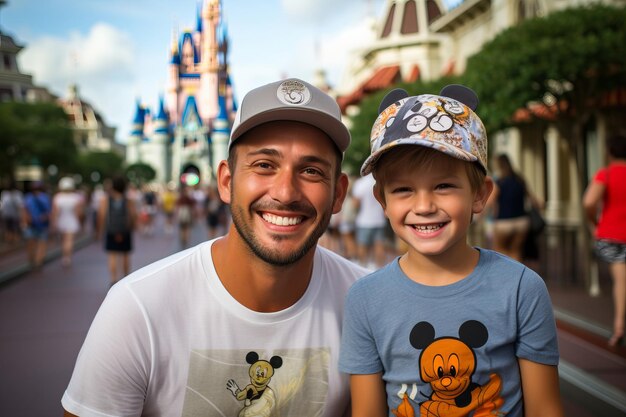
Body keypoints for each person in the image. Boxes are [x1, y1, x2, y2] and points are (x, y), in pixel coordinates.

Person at [62, 78, 369, 417]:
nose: (285, 193)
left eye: (311, 171)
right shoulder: (138, 310)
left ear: (338, 194)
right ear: (226, 181)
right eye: (264, 165)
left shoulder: (366, 306)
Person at [339, 87, 563, 417]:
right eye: (403, 190)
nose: (424, 206)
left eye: (443, 186)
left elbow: (546, 409)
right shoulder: (365, 300)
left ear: (479, 194)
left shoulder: (521, 289)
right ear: (382, 201)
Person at [583, 133, 626, 347]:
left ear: (609, 152)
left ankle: (619, 326)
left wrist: (595, 223)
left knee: (620, 280)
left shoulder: (606, 174)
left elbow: (589, 202)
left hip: (613, 235)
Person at [490, 153, 542, 262]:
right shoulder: (520, 180)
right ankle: (516, 278)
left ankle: (504, 278)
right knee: (516, 252)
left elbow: (490, 202)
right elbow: (535, 201)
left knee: (500, 252)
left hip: (503, 223)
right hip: (521, 222)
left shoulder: (499, 182)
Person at [97, 175, 137, 286]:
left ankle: (113, 279)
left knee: (112, 255)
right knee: (125, 255)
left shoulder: (106, 200)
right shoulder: (128, 201)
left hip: (111, 230)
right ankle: (126, 277)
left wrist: (100, 230)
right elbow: (133, 215)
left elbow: (102, 215)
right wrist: (133, 226)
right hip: (125, 231)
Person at [352, 172, 389, 269]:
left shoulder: (360, 183)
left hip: (364, 220)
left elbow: (355, 204)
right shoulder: (380, 183)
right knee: (379, 245)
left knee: (362, 245)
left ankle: (362, 268)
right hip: (379, 220)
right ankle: (379, 268)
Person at [51, 176, 84, 267]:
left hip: (61, 220)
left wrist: (54, 222)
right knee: (69, 240)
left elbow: (55, 212)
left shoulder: (57, 197)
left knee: (63, 240)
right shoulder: (75, 197)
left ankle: (64, 256)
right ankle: (68, 257)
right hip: (72, 221)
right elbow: (79, 213)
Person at [22, 181, 52, 270]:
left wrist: (25, 220)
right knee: (40, 243)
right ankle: (38, 261)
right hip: (39, 224)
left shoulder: (28, 198)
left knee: (32, 243)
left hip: (33, 224)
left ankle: (35, 260)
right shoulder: (45, 198)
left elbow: (23, 210)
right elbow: (50, 211)